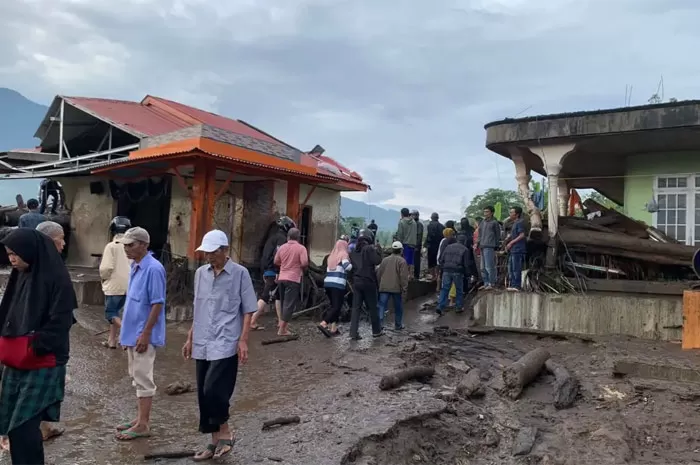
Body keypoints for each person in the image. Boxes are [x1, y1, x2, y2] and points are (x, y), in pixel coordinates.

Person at [0, 228, 77, 465]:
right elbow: (8, 314)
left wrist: (33, 344)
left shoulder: (56, 278)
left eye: (16, 254)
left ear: (31, 252)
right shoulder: (21, 275)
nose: (12, 259)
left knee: (24, 425)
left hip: (42, 360)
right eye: (9, 254)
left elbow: (61, 322)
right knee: (10, 422)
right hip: (17, 360)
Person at [182, 230, 256, 461]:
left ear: (225, 250)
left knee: (214, 389)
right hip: (202, 339)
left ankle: (225, 431)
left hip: (226, 340)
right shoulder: (201, 274)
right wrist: (190, 337)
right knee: (203, 394)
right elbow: (199, 308)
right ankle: (214, 442)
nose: (208, 257)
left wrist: (243, 340)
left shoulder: (240, 274)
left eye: (213, 252)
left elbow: (248, 309)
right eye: (206, 252)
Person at [115, 227, 166, 441]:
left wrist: (145, 334)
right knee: (136, 376)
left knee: (144, 378)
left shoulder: (154, 269)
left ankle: (143, 424)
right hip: (132, 332)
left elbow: (157, 304)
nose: (127, 248)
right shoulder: (136, 266)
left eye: (131, 244)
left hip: (143, 333)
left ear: (144, 245)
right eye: (125, 245)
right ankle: (139, 419)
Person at [250, 216, 295, 331]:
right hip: (273, 271)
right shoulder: (281, 239)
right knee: (265, 296)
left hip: (267, 270)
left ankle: (281, 322)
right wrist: (277, 271)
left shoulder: (272, 237)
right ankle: (252, 320)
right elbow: (278, 257)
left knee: (278, 296)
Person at [99, 217, 132, 349]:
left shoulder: (111, 246)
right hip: (129, 285)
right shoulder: (131, 245)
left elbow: (106, 268)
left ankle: (128, 335)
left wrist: (104, 278)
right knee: (119, 313)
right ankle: (112, 340)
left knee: (111, 313)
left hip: (114, 285)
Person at [349, 229, 383, 340]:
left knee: (356, 308)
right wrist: (379, 250)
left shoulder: (354, 251)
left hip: (357, 282)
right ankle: (376, 331)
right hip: (368, 282)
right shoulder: (369, 248)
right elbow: (377, 261)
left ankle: (353, 333)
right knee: (373, 307)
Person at [274, 228, 308, 336]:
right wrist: (297, 266)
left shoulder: (282, 247)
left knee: (284, 303)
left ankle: (283, 327)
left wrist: (284, 264)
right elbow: (304, 262)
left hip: (282, 277)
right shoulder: (301, 248)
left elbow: (276, 261)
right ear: (298, 238)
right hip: (293, 278)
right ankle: (282, 330)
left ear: (288, 237)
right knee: (289, 305)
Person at [319, 240, 352, 337]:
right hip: (337, 284)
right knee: (337, 307)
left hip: (328, 283)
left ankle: (333, 328)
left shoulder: (331, 256)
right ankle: (324, 323)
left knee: (334, 306)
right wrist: (353, 264)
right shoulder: (343, 254)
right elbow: (348, 267)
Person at [437, 232, 472, 315]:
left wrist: (443, 268)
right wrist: (468, 274)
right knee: (459, 289)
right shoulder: (465, 249)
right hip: (458, 271)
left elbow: (441, 259)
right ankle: (458, 307)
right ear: (464, 241)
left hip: (446, 270)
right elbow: (466, 264)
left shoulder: (448, 247)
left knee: (445, 289)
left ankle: (440, 306)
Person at [377, 241, 409, 330]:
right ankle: (398, 325)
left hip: (384, 287)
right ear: (401, 250)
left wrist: (380, 283)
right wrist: (404, 288)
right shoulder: (402, 261)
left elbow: (379, 273)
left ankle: (380, 324)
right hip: (396, 288)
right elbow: (403, 277)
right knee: (398, 307)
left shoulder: (385, 260)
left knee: (382, 306)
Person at [477, 206, 502, 290]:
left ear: (491, 213)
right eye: (484, 212)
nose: (485, 213)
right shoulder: (482, 222)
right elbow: (479, 234)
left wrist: (497, 246)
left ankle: (492, 283)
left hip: (490, 246)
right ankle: (486, 282)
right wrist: (477, 243)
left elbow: (498, 235)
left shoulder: (494, 223)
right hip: (482, 246)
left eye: (487, 212)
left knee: (489, 266)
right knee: (482, 267)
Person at [505, 206, 527, 291]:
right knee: (511, 268)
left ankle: (517, 285)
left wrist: (511, 242)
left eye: (511, 212)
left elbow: (522, 235)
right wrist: (509, 238)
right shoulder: (515, 223)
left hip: (518, 249)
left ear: (517, 214)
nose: (510, 214)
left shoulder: (520, 222)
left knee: (516, 268)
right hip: (513, 249)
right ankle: (513, 284)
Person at [395, 208, 417, 277]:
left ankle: (405, 276)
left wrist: (399, 243)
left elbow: (400, 234)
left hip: (405, 244)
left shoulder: (401, 222)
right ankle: (410, 275)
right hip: (413, 243)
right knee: (411, 260)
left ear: (402, 214)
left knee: (405, 260)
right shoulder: (413, 222)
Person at [425, 212, 444, 282]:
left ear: (432, 218)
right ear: (437, 218)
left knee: (431, 261)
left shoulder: (429, 226)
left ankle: (433, 276)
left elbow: (429, 236)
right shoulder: (442, 226)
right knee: (437, 261)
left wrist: (426, 244)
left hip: (431, 246)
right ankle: (438, 275)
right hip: (439, 246)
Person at [412, 210, 424, 280]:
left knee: (416, 261)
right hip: (412, 245)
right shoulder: (412, 224)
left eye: (414, 215)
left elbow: (419, 236)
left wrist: (417, 246)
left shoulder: (419, 224)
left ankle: (416, 276)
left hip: (416, 246)